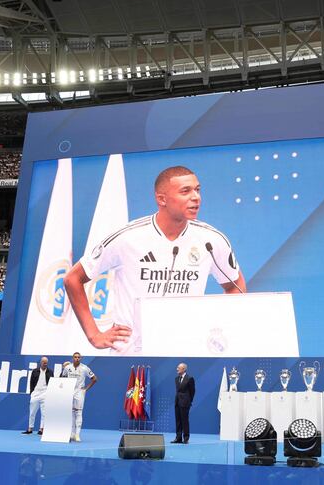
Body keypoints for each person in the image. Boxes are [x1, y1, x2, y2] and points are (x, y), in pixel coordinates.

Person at [65, 166, 247, 353]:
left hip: (188, 351)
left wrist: (219, 326)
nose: (196, 197)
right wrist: (94, 335)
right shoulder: (128, 238)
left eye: (197, 190)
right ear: (162, 199)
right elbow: (73, 279)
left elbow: (235, 285)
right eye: (185, 191)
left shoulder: (212, 240)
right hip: (133, 355)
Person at [61, 352, 97, 442]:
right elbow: (62, 378)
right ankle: (71, 434)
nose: (77, 358)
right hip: (69, 391)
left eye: (78, 357)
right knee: (71, 412)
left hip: (79, 391)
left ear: (81, 358)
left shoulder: (85, 368)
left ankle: (77, 434)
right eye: (75, 357)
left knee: (78, 412)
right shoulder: (67, 367)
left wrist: (85, 389)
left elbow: (94, 379)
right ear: (72, 358)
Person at [23, 356, 53, 435]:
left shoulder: (50, 372)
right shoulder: (35, 371)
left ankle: (41, 429)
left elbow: (52, 383)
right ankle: (30, 428)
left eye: (46, 363)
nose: (45, 364)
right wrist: (32, 393)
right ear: (40, 362)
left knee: (44, 413)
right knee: (32, 412)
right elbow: (31, 382)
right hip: (35, 393)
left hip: (45, 393)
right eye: (44, 362)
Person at [172, 362, 195, 444]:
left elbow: (192, 392)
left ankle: (186, 438)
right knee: (178, 420)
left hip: (185, 403)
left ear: (184, 369)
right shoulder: (176, 379)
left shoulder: (190, 378)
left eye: (179, 367)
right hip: (177, 402)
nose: (177, 369)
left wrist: (189, 401)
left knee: (184, 421)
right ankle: (178, 438)